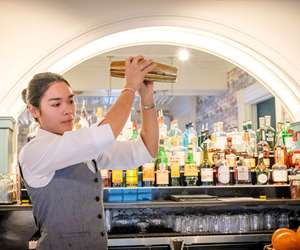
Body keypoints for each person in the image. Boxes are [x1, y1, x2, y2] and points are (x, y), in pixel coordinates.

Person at [19, 56, 159, 250]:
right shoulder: (34, 152)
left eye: (70, 101)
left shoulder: (83, 148)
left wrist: (147, 97)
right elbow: (106, 132)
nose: (68, 110)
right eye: (56, 104)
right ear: (34, 111)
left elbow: (145, 150)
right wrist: (130, 87)